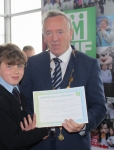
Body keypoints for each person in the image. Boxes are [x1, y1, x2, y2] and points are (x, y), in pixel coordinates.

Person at [20, 10, 106, 150]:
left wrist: (83, 124)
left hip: (75, 144)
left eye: (59, 32)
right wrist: (30, 121)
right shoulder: (33, 63)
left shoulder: (89, 64)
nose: (54, 38)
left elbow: (99, 106)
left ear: (70, 34)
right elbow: (24, 101)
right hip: (39, 143)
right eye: (49, 33)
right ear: (44, 37)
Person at [0, 43, 48, 150]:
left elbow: (17, 132)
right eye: (9, 66)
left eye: (20, 66)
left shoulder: (16, 91)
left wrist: (28, 132)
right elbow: (13, 141)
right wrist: (43, 131)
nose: (16, 71)